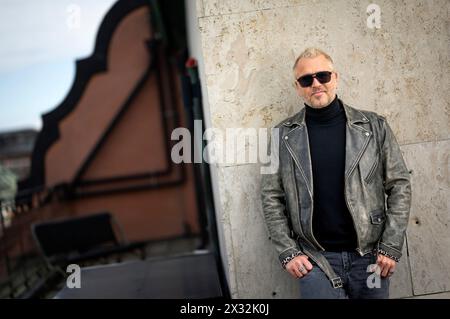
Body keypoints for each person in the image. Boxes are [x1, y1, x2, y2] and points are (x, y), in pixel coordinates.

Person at [261, 47, 411, 299]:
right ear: (298, 87)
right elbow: (270, 197)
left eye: (323, 76)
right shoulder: (279, 136)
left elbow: (400, 185)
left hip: (371, 257)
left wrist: (391, 247)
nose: (316, 84)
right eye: (306, 79)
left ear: (336, 77)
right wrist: (288, 252)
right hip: (315, 260)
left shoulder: (375, 126)